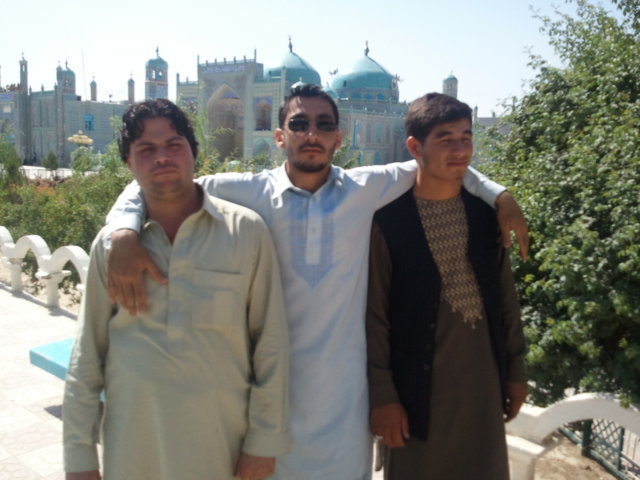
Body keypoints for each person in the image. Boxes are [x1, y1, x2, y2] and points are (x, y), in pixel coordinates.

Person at [104, 84, 528, 479]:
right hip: (268, 399)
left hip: (344, 409)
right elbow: (160, 185)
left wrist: (501, 195)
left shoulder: (365, 188)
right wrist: (123, 230)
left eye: (324, 125)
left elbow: (443, 164)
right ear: (278, 136)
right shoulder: (247, 193)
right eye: (299, 123)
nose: (312, 134)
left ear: (338, 138)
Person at [62, 99, 290, 480]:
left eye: (173, 145)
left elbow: (270, 344)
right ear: (128, 163)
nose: (162, 157)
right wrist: (79, 458)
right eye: (146, 149)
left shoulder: (245, 232)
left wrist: (264, 441)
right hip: (133, 454)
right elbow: (87, 355)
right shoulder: (112, 248)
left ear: (193, 152)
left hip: (222, 451)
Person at [366, 93, 528, 479]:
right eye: (445, 139)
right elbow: (375, 317)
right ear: (414, 147)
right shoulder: (389, 223)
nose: (460, 150)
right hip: (416, 394)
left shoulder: (486, 216)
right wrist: (383, 396)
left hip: (482, 386)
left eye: (466, 138)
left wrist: (517, 370)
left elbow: (506, 299)